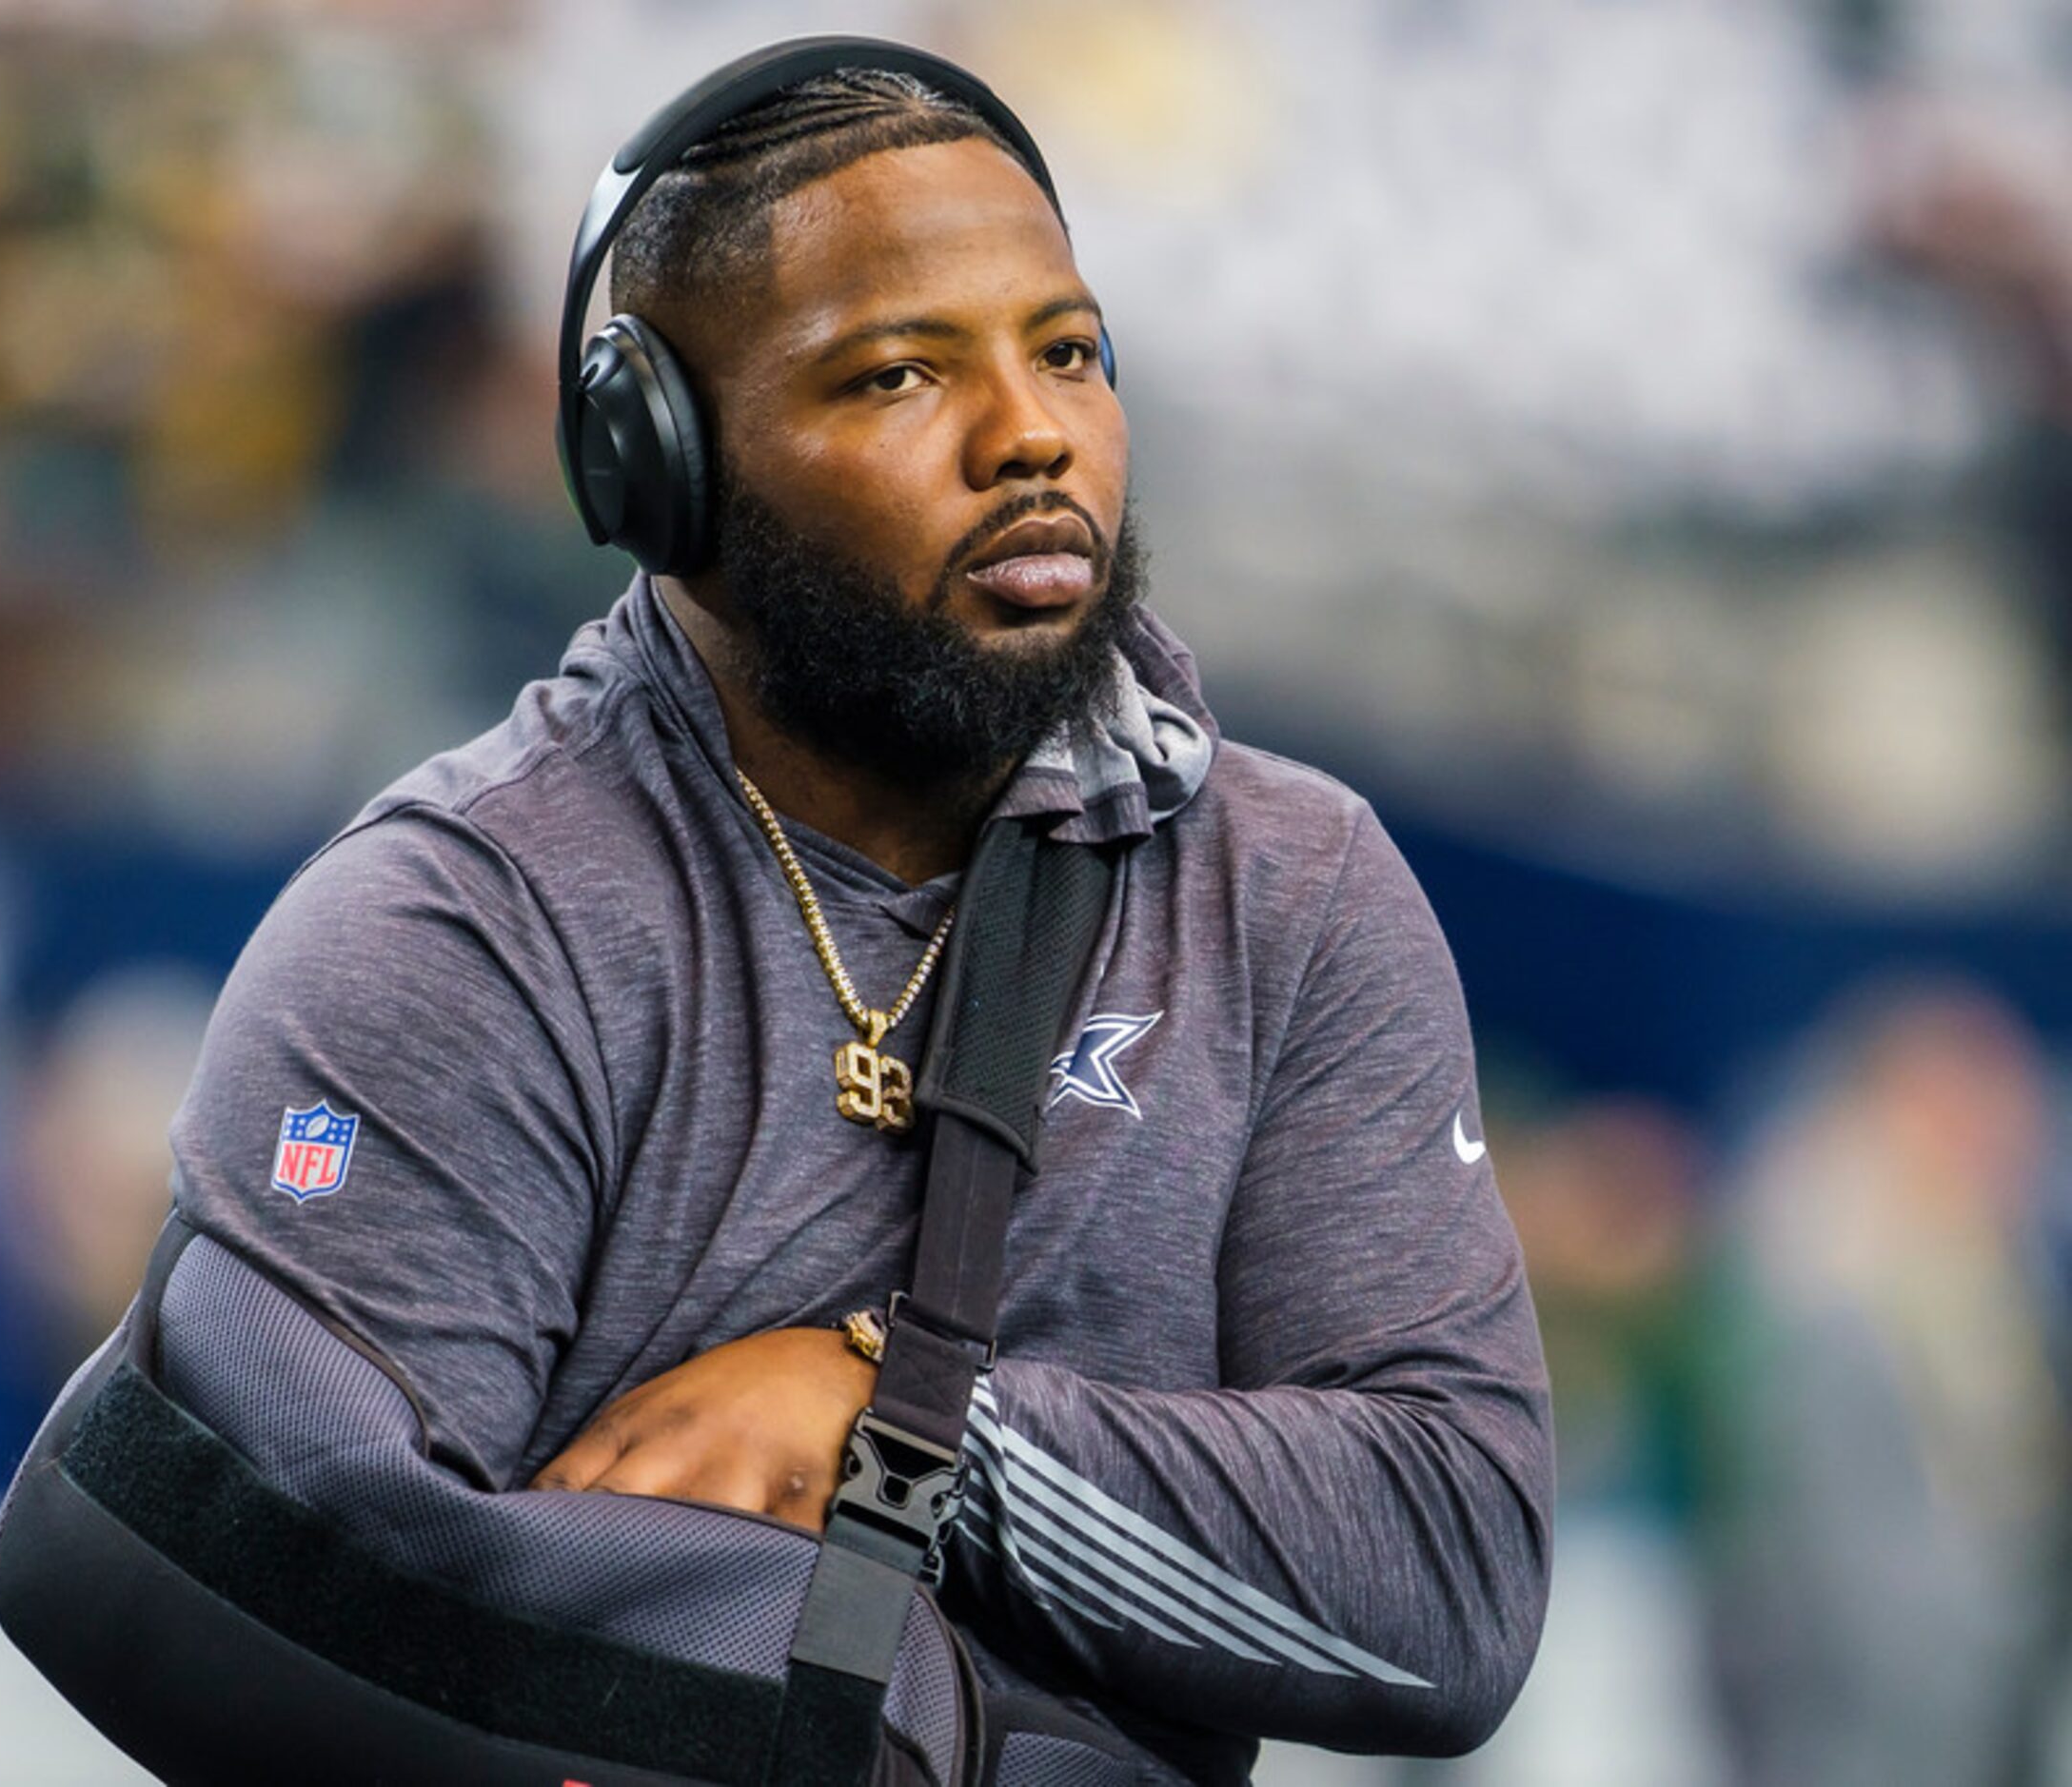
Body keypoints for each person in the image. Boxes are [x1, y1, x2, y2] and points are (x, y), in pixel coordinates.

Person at [161, 46, 1551, 1784]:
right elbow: (322, 1601)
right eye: (899, 373)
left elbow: (1451, 1583)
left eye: (1068, 351)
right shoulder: (460, 926)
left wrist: (897, 1434)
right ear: (659, 467)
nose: (1032, 432)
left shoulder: (1292, 890)